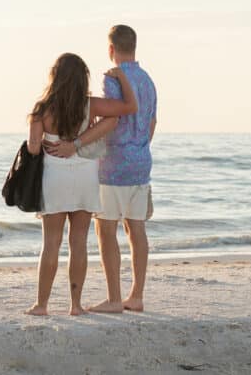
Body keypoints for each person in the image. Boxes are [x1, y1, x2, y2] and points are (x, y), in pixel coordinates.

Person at [47, 25, 157, 313]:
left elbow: (114, 119)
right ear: (134, 46)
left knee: (106, 231)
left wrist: (81, 143)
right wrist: (139, 148)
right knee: (137, 231)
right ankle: (137, 295)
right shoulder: (148, 81)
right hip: (141, 164)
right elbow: (152, 123)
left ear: (111, 50)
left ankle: (114, 298)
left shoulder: (112, 79)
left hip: (113, 165)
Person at [24, 52, 138, 316]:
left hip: (55, 177)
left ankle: (41, 305)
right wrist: (121, 76)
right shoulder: (90, 105)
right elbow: (128, 108)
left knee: (51, 243)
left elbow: (32, 149)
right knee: (78, 243)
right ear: (81, 78)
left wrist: (41, 138)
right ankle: (75, 305)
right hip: (85, 175)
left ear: (55, 77)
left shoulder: (41, 109)